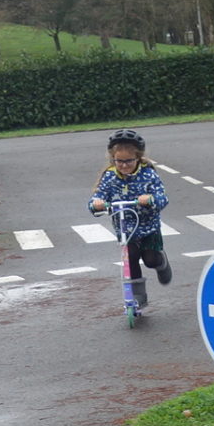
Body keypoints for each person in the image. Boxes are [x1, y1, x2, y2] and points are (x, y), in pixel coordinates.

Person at [88, 128, 171, 299]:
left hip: (149, 227)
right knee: (131, 259)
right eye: (119, 161)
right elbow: (98, 197)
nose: (124, 165)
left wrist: (151, 199)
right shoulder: (110, 177)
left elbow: (162, 198)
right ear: (113, 159)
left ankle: (161, 262)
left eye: (129, 161)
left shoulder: (148, 174)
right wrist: (96, 204)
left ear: (138, 157)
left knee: (150, 260)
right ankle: (138, 297)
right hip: (126, 228)